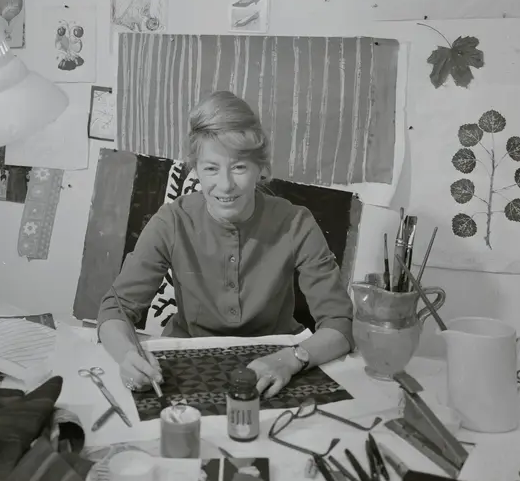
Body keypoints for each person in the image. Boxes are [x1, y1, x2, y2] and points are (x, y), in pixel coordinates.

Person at [97, 91, 354, 399]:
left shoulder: (296, 222)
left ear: (260, 168)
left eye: (239, 167)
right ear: (196, 169)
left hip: (279, 363)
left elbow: (339, 325)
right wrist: (128, 356)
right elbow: (115, 310)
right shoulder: (171, 221)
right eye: (211, 168)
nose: (225, 185)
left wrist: (291, 359)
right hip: (188, 363)